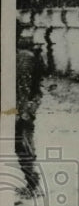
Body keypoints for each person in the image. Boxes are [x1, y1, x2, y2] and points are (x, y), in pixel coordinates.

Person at [15, 31, 45, 196]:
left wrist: (27, 110)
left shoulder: (25, 58)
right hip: (19, 108)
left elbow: (30, 86)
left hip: (22, 110)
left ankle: (33, 185)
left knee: (23, 145)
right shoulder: (25, 56)